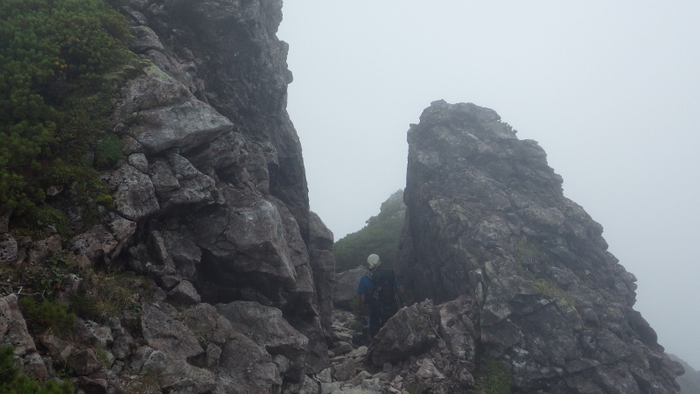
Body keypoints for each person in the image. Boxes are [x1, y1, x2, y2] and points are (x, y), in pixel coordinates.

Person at [357, 254, 402, 340]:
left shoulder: (364, 279)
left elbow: (362, 300)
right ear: (380, 263)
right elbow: (400, 290)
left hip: (375, 312)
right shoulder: (389, 274)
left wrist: (361, 314)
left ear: (368, 264)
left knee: (376, 334)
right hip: (391, 309)